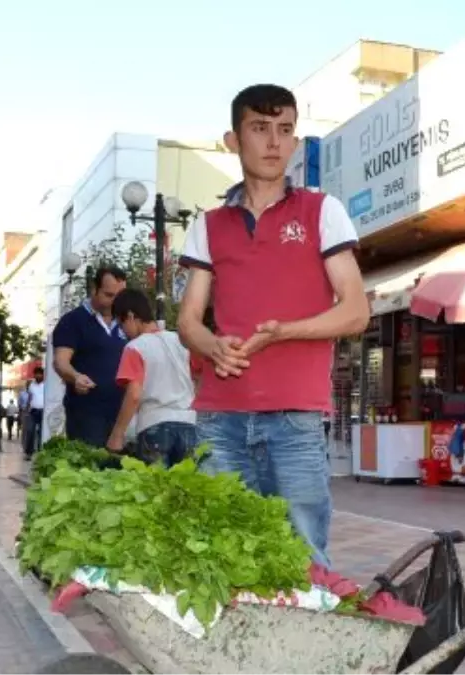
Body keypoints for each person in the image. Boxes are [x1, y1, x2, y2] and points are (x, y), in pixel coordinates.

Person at [176, 85, 368, 567]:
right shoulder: (209, 223)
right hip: (219, 419)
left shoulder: (323, 211)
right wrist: (213, 345)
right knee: (224, 554)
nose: (274, 142)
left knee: (304, 555)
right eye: (260, 129)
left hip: (295, 419)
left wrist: (284, 332)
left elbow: (356, 311)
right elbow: (187, 320)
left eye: (285, 130)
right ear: (233, 140)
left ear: (296, 141)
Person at [106, 289, 197, 467]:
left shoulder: (135, 347)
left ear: (131, 316)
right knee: (186, 489)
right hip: (189, 424)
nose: (123, 332)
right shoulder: (181, 342)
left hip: (154, 426)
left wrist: (117, 435)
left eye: (122, 324)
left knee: (154, 489)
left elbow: (134, 394)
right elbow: (198, 379)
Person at [52, 265, 129, 447]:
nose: (115, 302)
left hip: (123, 413)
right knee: (90, 468)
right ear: (94, 289)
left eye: (120, 296)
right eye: (109, 295)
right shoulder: (73, 321)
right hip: (86, 413)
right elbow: (61, 362)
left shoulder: (128, 322)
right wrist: (75, 377)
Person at [23, 368, 46, 460]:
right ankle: (29, 453)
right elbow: (30, 397)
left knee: (41, 432)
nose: (38, 376)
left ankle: (41, 452)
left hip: (43, 411)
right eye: (36, 374)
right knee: (30, 431)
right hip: (33, 411)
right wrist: (26, 409)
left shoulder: (46, 385)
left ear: (43, 375)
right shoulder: (31, 385)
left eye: (40, 374)